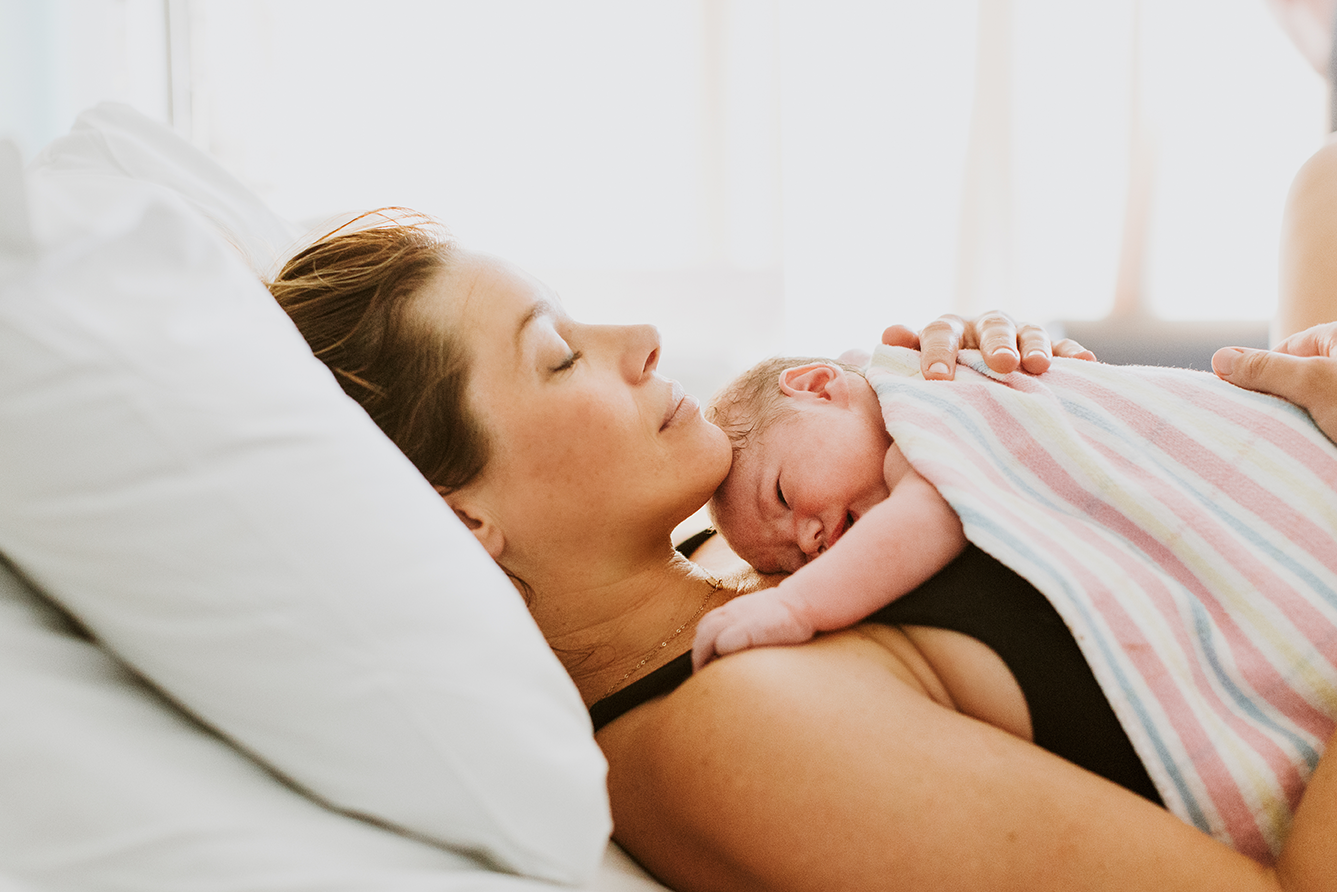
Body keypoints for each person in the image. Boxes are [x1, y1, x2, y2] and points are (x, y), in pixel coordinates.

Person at [266, 185, 1337, 890]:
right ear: (464, 524)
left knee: (1321, 186)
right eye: (555, 354)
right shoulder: (727, 728)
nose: (637, 340)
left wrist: (982, 406)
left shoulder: (746, 564)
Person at [689, 355, 968, 670]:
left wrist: (796, 604)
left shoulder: (918, 417)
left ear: (818, 388)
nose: (808, 544)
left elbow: (927, 517)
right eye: (792, 562)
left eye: (781, 496)